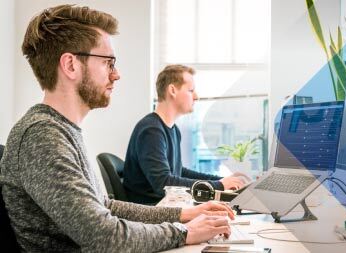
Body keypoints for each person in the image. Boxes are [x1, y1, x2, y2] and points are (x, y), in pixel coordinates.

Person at [0, 5, 234, 252]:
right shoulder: (42, 136)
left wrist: (184, 214)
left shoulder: (61, 130)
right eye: (108, 63)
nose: (117, 74)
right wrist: (185, 232)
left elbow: (105, 207)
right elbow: (104, 236)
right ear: (70, 65)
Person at [123, 65, 249, 205]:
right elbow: (164, 184)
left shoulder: (172, 130)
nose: (196, 97)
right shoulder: (151, 131)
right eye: (191, 90)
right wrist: (219, 186)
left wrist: (220, 181)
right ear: (172, 90)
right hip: (152, 212)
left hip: (167, 206)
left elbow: (179, 172)